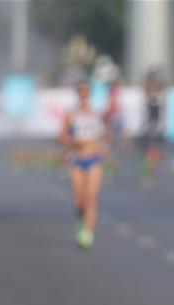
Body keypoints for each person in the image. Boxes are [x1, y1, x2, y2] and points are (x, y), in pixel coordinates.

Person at [59, 81, 110, 249]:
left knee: (91, 196)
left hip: (93, 158)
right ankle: (81, 219)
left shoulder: (97, 114)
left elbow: (105, 135)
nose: (84, 97)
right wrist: (73, 141)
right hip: (76, 159)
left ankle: (87, 232)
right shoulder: (71, 114)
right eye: (81, 94)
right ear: (78, 95)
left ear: (90, 95)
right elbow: (62, 136)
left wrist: (102, 147)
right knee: (79, 199)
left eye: (86, 93)